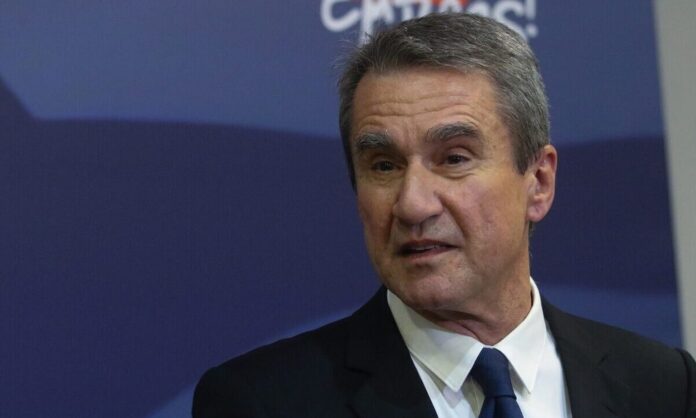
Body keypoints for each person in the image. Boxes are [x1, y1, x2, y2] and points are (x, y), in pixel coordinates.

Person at [192, 12, 695, 418]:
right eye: (384, 165)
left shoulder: (662, 386)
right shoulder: (262, 403)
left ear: (538, 182)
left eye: (454, 158)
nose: (413, 204)